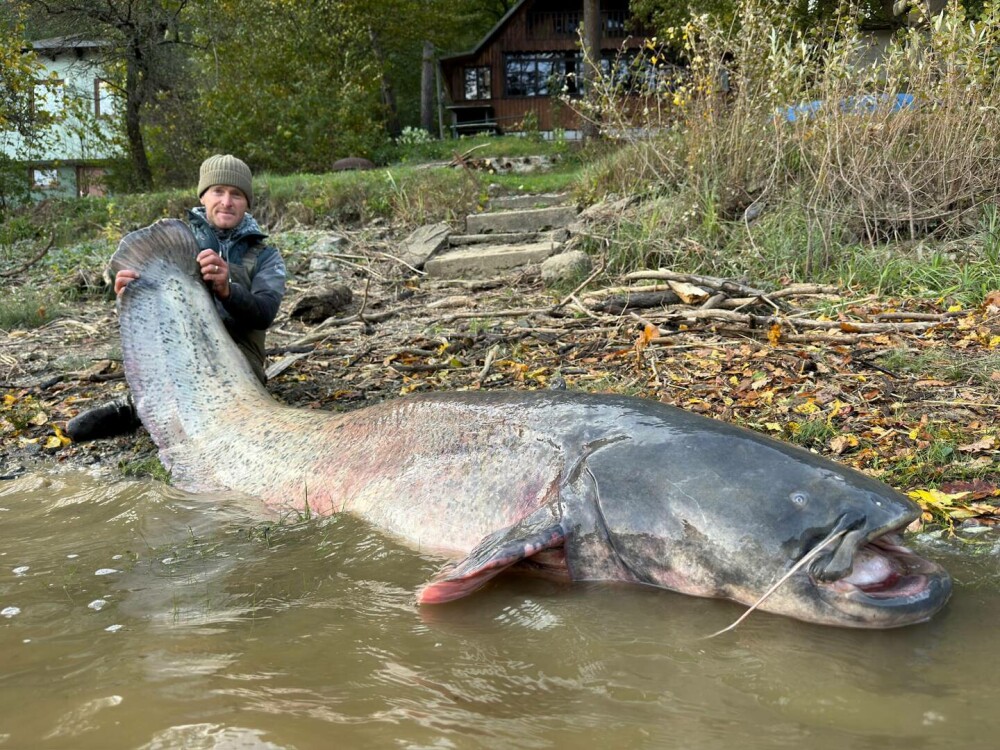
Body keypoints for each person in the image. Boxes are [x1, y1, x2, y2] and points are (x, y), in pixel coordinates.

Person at [66, 154, 287, 442]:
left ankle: (146, 410)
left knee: (226, 404)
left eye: (236, 194)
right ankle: (136, 406)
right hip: (178, 347)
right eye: (218, 191)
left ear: (247, 203)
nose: (227, 201)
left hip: (240, 361)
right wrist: (125, 294)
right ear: (204, 197)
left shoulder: (266, 256)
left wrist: (228, 289)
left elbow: (265, 312)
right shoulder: (173, 244)